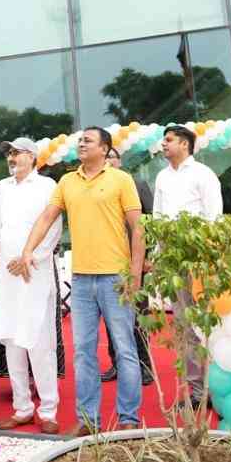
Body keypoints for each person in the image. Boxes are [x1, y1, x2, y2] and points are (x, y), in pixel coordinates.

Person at [14, 127, 144, 435]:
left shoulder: (121, 180)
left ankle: (128, 418)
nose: (81, 144)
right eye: (80, 141)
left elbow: (138, 228)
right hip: (82, 280)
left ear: (104, 149)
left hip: (117, 277)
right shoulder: (67, 181)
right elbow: (46, 217)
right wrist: (28, 250)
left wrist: (135, 273)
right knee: (83, 352)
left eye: (87, 141)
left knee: (125, 348)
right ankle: (88, 420)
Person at [0, 138, 62, 434]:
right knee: (11, 340)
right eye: (9, 153)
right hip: (8, 274)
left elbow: (52, 227)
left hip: (34, 272)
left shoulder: (47, 186)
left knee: (39, 341)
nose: (11, 157)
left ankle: (48, 410)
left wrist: (30, 257)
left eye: (17, 152)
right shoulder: (2, 187)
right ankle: (22, 408)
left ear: (32, 157)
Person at [153, 124, 222, 407]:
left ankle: (215, 387)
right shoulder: (161, 176)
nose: (163, 145)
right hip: (171, 258)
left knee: (207, 323)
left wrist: (208, 258)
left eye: (168, 141)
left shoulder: (203, 174)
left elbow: (214, 216)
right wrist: (157, 256)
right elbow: (156, 217)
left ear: (184, 144)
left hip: (198, 256)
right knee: (183, 324)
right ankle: (195, 392)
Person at [100, 149, 153, 386]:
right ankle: (117, 363)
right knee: (112, 318)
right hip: (107, 262)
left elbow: (149, 222)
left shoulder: (136, 183)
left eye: (112, 156)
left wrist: (145, 258)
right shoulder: (97, 188)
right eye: (106, 157)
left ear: (119, 161)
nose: (109, 160)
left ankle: (144, 366)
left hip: (134, 261)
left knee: (138, 317)